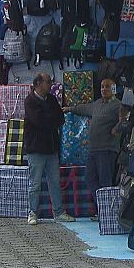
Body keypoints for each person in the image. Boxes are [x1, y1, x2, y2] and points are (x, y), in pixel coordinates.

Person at [63, 78, 124, 219]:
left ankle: (107, 213)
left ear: (114, 89)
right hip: (93, 150)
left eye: (107, 87)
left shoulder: (117, 105)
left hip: (107, 150)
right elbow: (83, 108)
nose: (104, 89)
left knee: (105, 182)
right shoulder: (97, 104)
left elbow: (125, 120)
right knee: (90, 179)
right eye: (102, 86)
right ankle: (102, 208)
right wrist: (69, 108)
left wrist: (116, 129)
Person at [24, 73, 77, 225]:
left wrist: (50, 119)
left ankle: (58, 212)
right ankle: (33, 212)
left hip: (51, 148)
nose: (50, 85)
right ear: (39, 83)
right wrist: (51, 118)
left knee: (54, 181)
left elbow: (60, 118)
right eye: (48, 82)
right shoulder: (30, 101)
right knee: (35, 183)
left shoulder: (52, 99)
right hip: (36, 149)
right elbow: (38, 120)